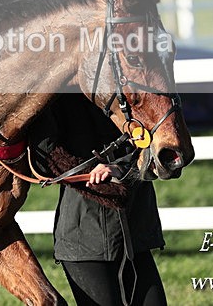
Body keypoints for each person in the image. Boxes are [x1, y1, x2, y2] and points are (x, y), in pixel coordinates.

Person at [30, 95, 167, 305]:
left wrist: (119, 169)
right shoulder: (58, 98)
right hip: (85, 242)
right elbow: (44, 155)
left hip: (135, 234)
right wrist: (88, 172)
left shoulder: (130, 90)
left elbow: (155, 149)